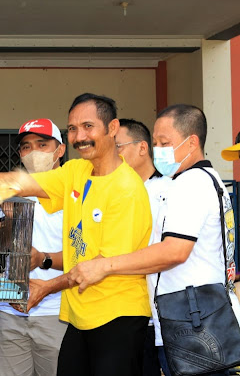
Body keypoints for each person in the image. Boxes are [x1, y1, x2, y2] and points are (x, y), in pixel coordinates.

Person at [0, 93, 152, 376]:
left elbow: (100, 266)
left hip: (116, 317)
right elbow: (24, 183)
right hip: (78, 316)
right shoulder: (78, 171)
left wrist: (46, 285)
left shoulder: (126, 189)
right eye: (73, 128)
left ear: (112, 128)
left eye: (88, 126)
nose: (80, 136)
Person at [69, 104, 239, 376]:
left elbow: (174, 251)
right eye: (156, 141)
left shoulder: (191, 183)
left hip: (192, 323)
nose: (157, 149)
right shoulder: (209, 179)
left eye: (164, 142)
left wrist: (105, 266)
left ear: (191, 142)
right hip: (198, 320)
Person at [0, 119, 67, 376]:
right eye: (26, 147)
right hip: (10, 311)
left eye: (42, 144)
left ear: (60, 150)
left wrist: (43, 259)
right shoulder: (11, 191)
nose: (33, 152)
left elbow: (86, 255)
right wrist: (8, 220)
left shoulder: (74, 193)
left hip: (56, 312)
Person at [116, 118, 173, 376]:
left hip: (157, 313)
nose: (112, 155)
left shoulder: (167, 189)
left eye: (118, 147)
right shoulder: (114, 192)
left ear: (142, 148)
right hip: (121, 310)